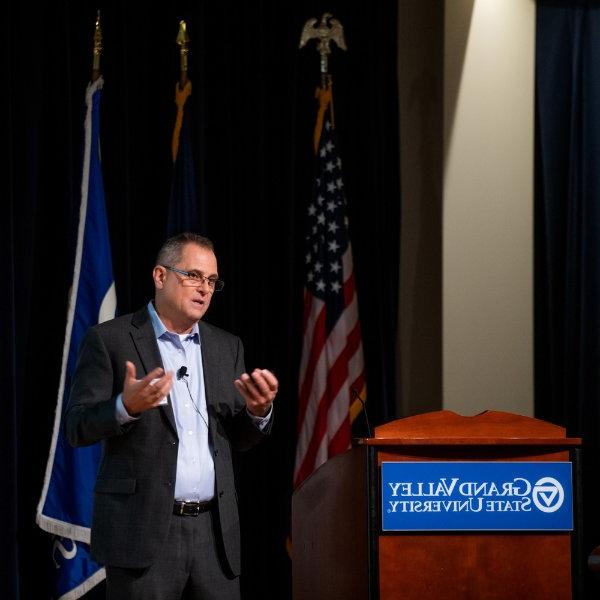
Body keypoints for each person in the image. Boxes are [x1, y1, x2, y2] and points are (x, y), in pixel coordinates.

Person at [65, 232, 278, 600]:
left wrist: (259, 413)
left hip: (215, 538)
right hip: (143, 537)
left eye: (212, 281)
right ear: (160, 276)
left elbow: (236, 439)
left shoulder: (227, 347)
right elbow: (77, 426)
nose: (205, 289)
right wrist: (125, 407)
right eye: (193, 276)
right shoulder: (110, 340)